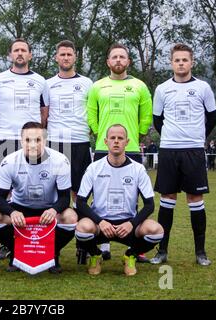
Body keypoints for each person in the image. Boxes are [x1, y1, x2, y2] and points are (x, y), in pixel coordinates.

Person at [151, 43, 216, 266]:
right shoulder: (162, 89)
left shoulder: (203, 88)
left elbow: (212, 118)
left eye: (184, 60)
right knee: (167, 199)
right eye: (177, 60)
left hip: (194, 151)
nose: (181, 63)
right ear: (171, 63)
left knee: (195, 199)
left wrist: (196, 138)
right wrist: (173, 137)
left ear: (192, 62)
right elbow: (157, 121)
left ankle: (200, 252)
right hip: (169, 150)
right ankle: (162, 251)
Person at [86, 43, 153, 262]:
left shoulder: (139, 86)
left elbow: (146, 116)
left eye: (122, 57)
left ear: (128, 61)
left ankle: (134, 246)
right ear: (108, 62)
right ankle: (103, 243)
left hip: (131, 148)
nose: (118, 60)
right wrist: (99, 135)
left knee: (131, 195)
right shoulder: (97, 86)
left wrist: (138, 135)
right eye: (114, 56)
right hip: (103, 148)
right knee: (101, 192)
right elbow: (91, 115)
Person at [0, 122, 77, 274]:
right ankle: (16, 253)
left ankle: (52, 255)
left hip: (48, 209)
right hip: (20, 209)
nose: (33, 144)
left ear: (45, 140)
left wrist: (54, 210)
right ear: (21, 141)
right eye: (28, 140)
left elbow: (64, 198)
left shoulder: (60, 160)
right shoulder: (9, 162)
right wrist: (12, 212)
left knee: (71, 217)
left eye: (38, 140)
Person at [75, 124, 164, 276]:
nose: (116, 141)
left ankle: (131, 255)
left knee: (156, 231)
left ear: (127, 142)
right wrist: (100, 222)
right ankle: (96, 255)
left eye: (120, 138)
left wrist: (132, 223)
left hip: (128, 224)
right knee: (82, 228)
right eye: (112, 138)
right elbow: (80, 202)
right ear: (106, 141)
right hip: (100, 224)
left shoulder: (138, 169)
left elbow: (150, 205)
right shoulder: (94, 168)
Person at [0, 38, 49, 260]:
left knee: (32, 183)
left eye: (24, 50)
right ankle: (9, 242)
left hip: (33, 141)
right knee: (5, 190)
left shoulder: (40, 81)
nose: (20, 53)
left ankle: (36, 233)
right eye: (16, 50)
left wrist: (37, 134)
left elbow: (44, 111)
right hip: (5, 138)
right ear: (10, 55)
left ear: (30, 55)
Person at [46, 40, 93, 265]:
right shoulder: (48, 84)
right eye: (62, 54)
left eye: (69, 54)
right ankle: (50, 246)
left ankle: (82, 244)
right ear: (56, 57)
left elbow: (94, 114)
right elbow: (44, 115)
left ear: (75, 57)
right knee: (56, 195)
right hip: (56, 144)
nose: (66, 57)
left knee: (79, 195)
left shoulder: (87, 83)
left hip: (80, 142)